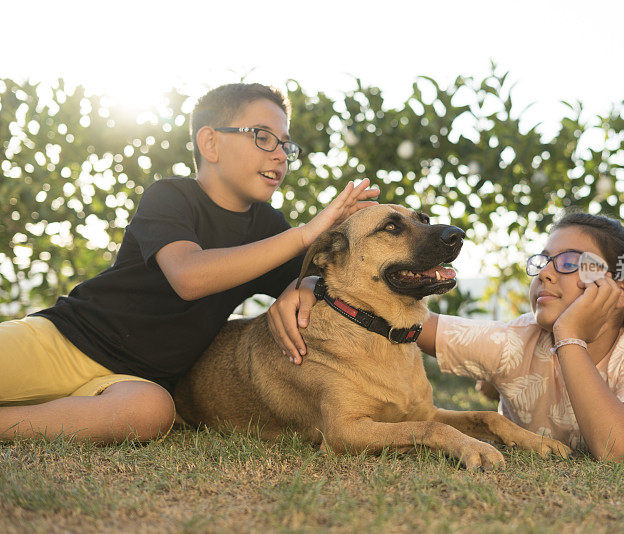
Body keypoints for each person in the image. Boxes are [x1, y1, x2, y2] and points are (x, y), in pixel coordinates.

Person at [0, 83, 379, 444]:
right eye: (263, 137)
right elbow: (189, 276)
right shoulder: (170, 196)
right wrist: (303, 235)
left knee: (152, 413)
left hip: (134, 381)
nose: (280, 154)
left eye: (285, 144)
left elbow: (332, 283)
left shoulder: (267, 226)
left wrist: (305, 286)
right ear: (210, 142)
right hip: (66, 340)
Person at [270, 203, 624, 462]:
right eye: (542, 261)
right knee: (507, 366)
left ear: (615, 287)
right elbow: (389, 319)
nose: (546, 272)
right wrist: (311, 283)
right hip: (532, 365)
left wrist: (569, 336)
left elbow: (616, 449)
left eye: (569, 263)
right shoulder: (514, 341)